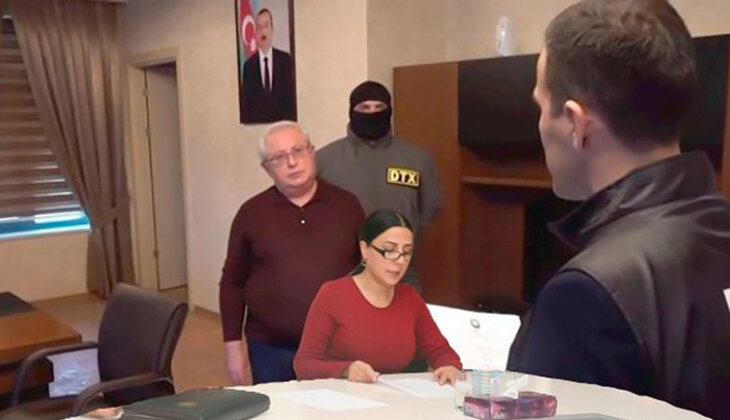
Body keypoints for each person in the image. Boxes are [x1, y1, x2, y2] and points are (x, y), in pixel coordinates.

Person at [505, 1, 730, 419]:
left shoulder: (586, 297)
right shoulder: (717, 227)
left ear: (575, 123)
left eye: (540, 106)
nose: (539, 125)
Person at [219, 121, 364, 385]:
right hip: (271, 349)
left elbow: (369, 272)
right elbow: (232, 282)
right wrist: (232, 347)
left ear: (312, 152)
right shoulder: (251, 213)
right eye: (278, 158)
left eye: (298, 151)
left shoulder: (347, 205)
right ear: (266, 168)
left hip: (338, 347)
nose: (292, 163)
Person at [293, 209, 461, 385]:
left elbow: (441, 351)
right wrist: (346, 370)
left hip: (393, 397)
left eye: (406, 252)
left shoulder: (410, 298)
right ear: (364, 249)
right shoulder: (333, 294)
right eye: (389, 251)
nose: (400, 261)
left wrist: (449, 367)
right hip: (340, 395)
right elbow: (303, 365)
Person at [317, 81, 442, 289]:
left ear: (389, 111)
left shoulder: (417, 159)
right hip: (344, 276)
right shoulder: (324, 161)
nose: (372, 113)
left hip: (402, 275)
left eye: (379, 107)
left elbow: (430, 209)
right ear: (352, 111)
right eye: (364, 107)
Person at [240, 8, 296, 123]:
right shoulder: (248, 67)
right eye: (259, 27)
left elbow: (290, 101)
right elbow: (246, 107)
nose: (263, 31)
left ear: (272, 30)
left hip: (282, 126)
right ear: (255, 32)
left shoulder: (285, 61)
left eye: (266, 26)